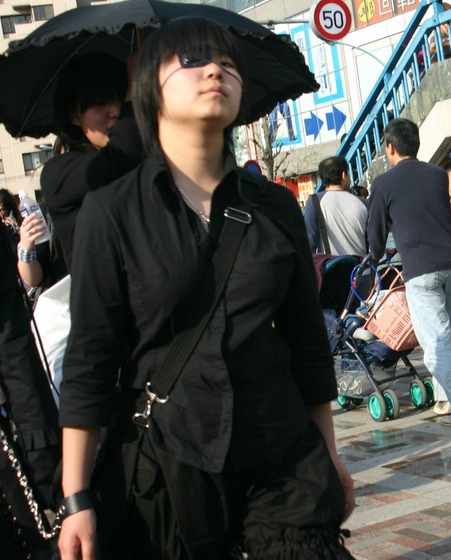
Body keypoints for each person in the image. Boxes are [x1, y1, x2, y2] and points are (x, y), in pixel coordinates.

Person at [57, 17, 355, 560]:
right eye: (192, 60)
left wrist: (328, 454)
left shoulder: (274, 205)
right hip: (168, 460)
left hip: (281, 452)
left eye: (228, 62)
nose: (216, 70)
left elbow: (307, 343)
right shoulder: (113, 211)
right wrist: (76, 496)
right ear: (149, 89)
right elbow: (90, 358)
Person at [367, 118, 451, 426]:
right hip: (449, 260)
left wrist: (377, 254)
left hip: (420, 268)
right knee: (446, 331)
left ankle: (448, 395)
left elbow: (375, 236)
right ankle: (443, 396)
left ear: (390, 147)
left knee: (436, 337)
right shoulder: (438, 174)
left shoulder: (383, 184)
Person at [40, 52, 143, 270]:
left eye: (121, 99)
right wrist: (136, 85)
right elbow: (122, 156)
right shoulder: (57, 174)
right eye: (100, 102)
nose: (116, 111)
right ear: (73, 115)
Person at [304, 156, 368, 257]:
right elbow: (372, 239)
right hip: (361, 265)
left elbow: (310, 241)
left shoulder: (315, 202)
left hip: (330, 265)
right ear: (343, 175)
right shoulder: (362, 203)